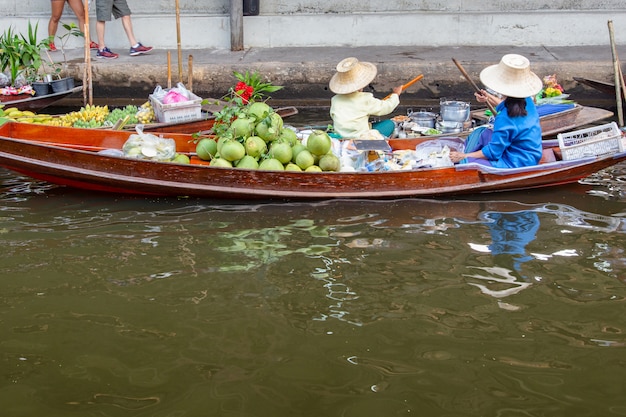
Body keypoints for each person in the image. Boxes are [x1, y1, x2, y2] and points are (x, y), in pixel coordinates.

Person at [449, 54, 544, 168]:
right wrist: (487, 97)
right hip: (530, 153)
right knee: (481, 133)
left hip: (517, 161)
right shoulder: (527, 101)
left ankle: (466, 155)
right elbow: (506, 105)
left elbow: (493, 152)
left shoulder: (505, 119)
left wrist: (464, 156)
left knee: (467, 164)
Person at [329, 57, 403, 139]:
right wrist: (395, 94)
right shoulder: (365, 98)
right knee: (390, 124)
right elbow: (386, 107)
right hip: (361, 137)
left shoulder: (335, 99)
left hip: (340, 135)